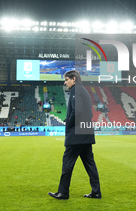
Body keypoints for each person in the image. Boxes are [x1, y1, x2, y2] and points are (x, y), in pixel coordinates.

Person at [48, 70, 101, 200]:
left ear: (74, 79)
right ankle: (96, 192)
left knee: (67, 163)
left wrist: (69, 124)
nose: (65, 83)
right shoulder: (85, 91)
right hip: (86, 132)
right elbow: (89, 114)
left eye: (66, 80)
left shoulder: (75, 91)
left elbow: (77, 111)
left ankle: (63, 192)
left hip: (76, 135)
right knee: (90, 164)